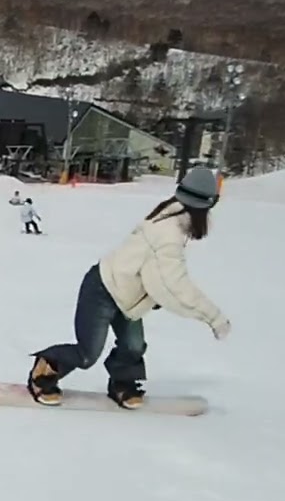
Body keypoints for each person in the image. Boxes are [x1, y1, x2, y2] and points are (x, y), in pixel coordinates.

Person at [26, 167, 230, 409]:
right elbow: (174, 285)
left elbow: (155, 276)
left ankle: (122, 383)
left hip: (127, 297)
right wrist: (213, 317)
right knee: (87, 353)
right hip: (102, 289)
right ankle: (45, 369)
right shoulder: (167, 233)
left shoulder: (171, 217)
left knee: (133, 345)